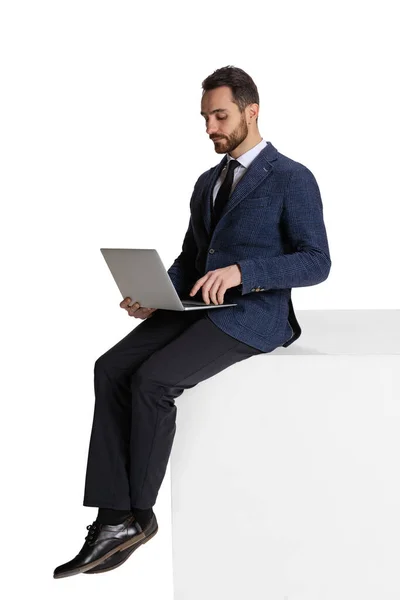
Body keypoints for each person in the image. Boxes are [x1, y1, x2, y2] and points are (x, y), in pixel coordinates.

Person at [53, 65, 331, 578]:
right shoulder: (207, 182)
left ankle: (138, 515)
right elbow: (190, 259)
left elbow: (317, 261)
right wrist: (156, 295)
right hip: (199, 305)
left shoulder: (293, 177)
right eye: (205, 117)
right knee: (110, 367)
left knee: (153, 381)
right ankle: (112, 518)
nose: (211, 128)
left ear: (252, 111)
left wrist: (244, 272)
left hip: (254, 313)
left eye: (220, 116)